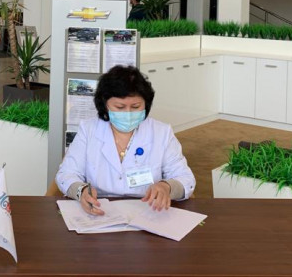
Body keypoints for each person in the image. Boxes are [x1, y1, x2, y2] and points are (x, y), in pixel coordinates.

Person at [56, 65, 196, 214]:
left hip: (148, 211)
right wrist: (81, 190)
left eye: (135, 107)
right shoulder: (88, 130)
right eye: (120, 107)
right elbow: (66, 174)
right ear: (105, 104)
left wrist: (167, 187)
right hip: (99, 210)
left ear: (146, 104)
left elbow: (185, 178)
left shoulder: (161, 132)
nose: (128, 113)